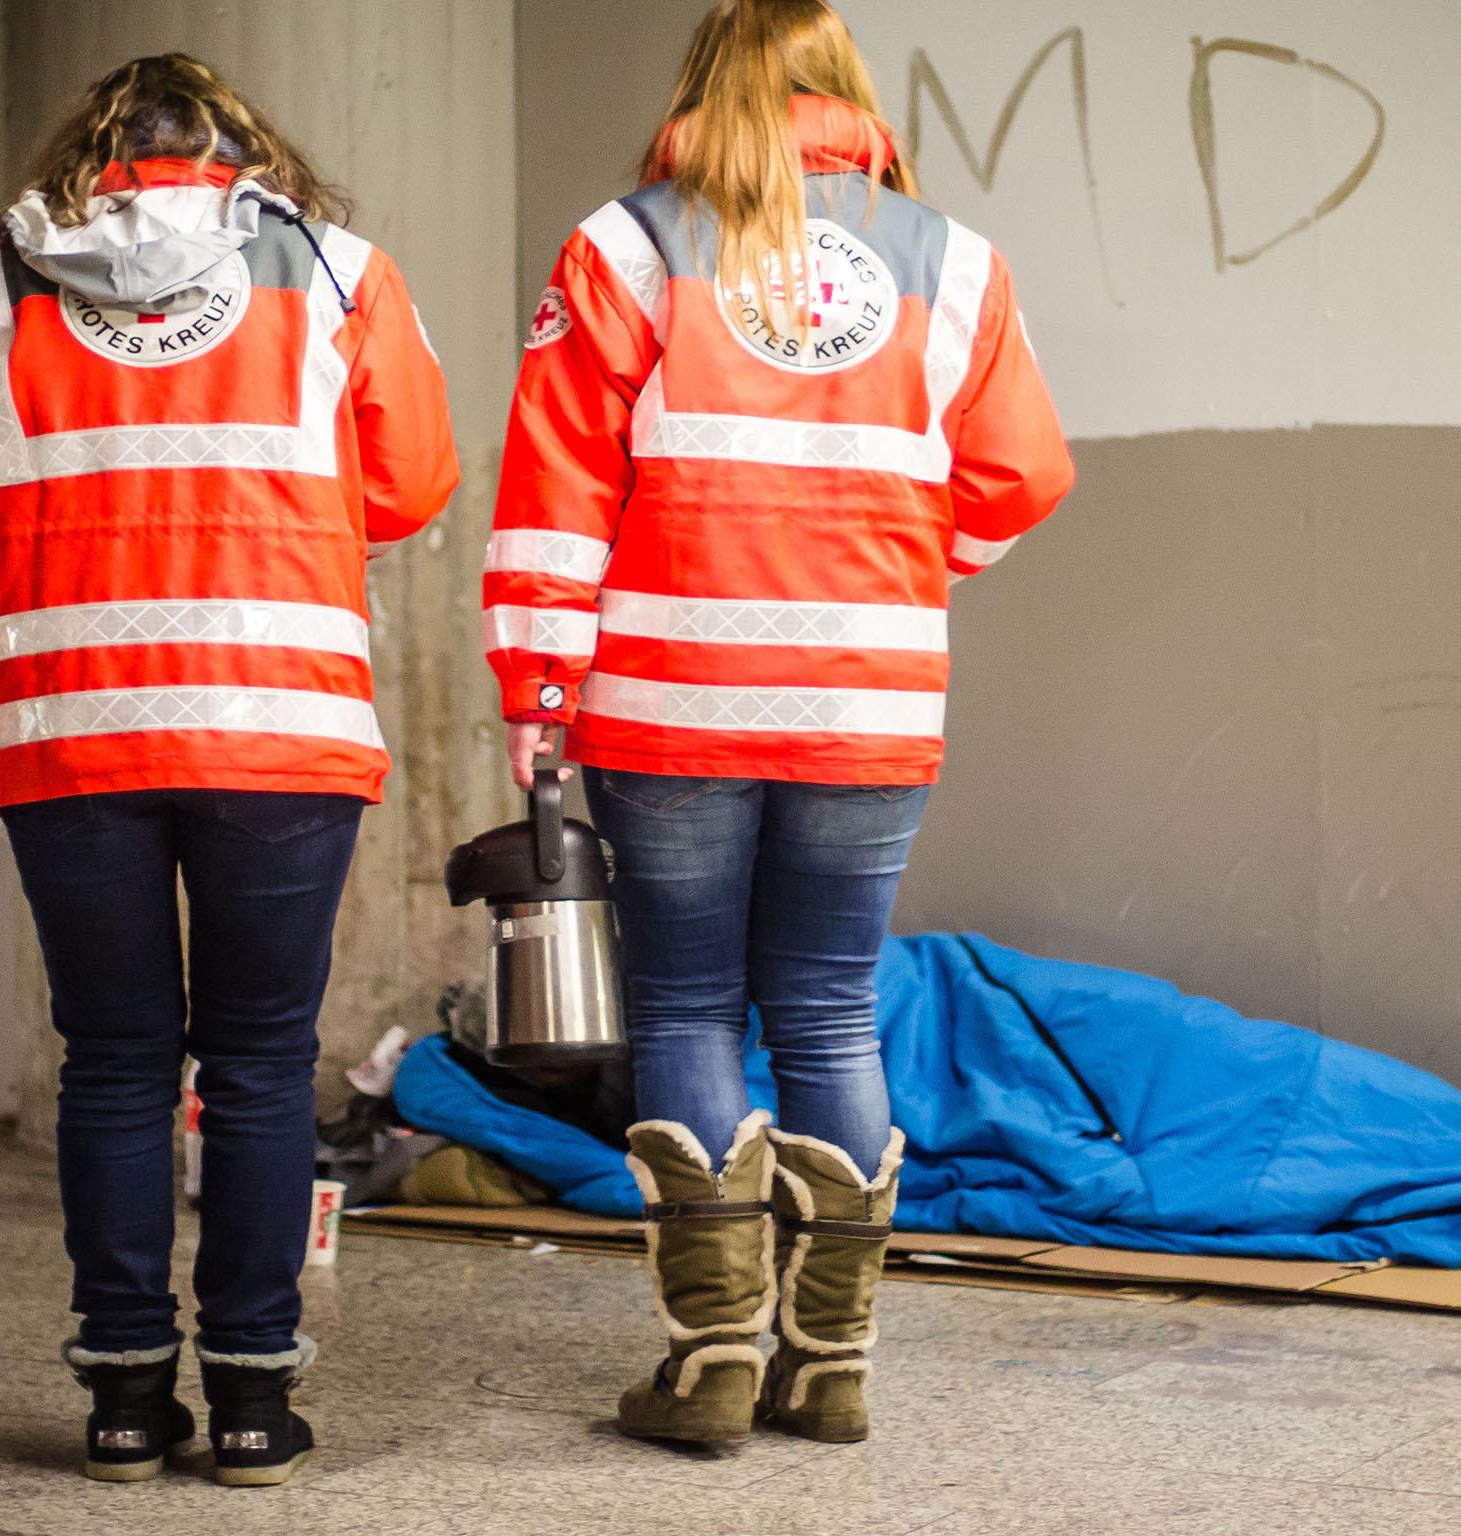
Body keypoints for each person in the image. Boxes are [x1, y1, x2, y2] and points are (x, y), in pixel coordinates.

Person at [485, 0, 1072, 1446]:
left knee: (687, 1008)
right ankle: (833, 1361)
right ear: (848, 95)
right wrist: (892, 566)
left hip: (671, 697)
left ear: (702, 92)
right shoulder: (954, 259)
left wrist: (542, 698)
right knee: (825, 1006)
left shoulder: (627, 246)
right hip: (867, 694)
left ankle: (711, 1362)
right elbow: (1019, 479)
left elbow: (559, 492)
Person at [0, 53, 456, 1486]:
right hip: (277, 723)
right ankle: (256, 1402)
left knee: (112, 1062)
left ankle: (120, 1398)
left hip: (71, 725)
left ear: (87, 158)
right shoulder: (336, 272)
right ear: (240, 152)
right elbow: (410, 485)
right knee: (264, 1065)